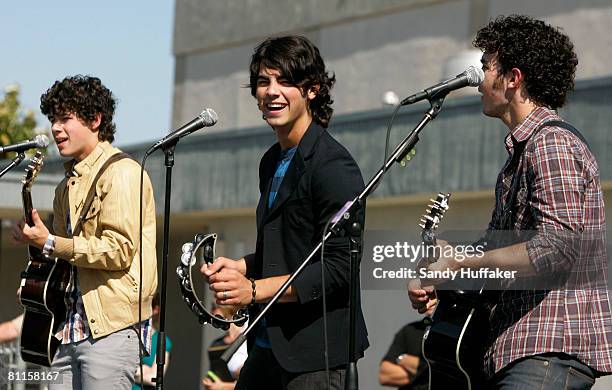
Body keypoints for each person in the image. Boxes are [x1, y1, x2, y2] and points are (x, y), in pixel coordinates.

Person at [409, 15, 612, 389]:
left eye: (486, 68)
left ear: (513, 78)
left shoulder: (551, 144)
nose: (479, 81)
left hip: (548, 349)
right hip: (519, 349)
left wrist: (462, 260)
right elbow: (497, 252)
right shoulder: (522, 154)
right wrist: (445, 271)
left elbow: (557, 249)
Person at [201, 35, 369, 389]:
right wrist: (241, 267)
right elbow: (286, 251)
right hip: (267, 347)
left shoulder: (332, 165)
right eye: (264, 82)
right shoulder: (271, 161)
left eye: (286, 81)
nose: (272, 91)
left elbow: (340, 267)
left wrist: (253, 289)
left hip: (314, 356)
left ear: (312, 90)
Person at [15, 75, 158, 389]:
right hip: (68, 328)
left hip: (111, 330)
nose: (55, 128)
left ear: (95, 120)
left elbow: (119, 250)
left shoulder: (123, 172)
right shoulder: (65, 186)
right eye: (53, 119)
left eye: (65, 118)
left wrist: (51, 242)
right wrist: (35, 247)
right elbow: (62, 258)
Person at [202, 306, 247, 390]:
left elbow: (252, 381)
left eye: (214, 306)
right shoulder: (215, 345)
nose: (211, 311)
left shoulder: (249, 335)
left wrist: (222, 386)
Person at [133, 292, 172, 390]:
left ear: (156, 309)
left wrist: (131, 370)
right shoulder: (126, 334)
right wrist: (143, 370)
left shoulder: (161, 341)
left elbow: (154, 378)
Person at [379, 319, 429, 390]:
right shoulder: (410, 330)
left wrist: (406, 362)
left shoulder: (447, 331)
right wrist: (425, 369)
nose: (426, 307)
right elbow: (384, 375)